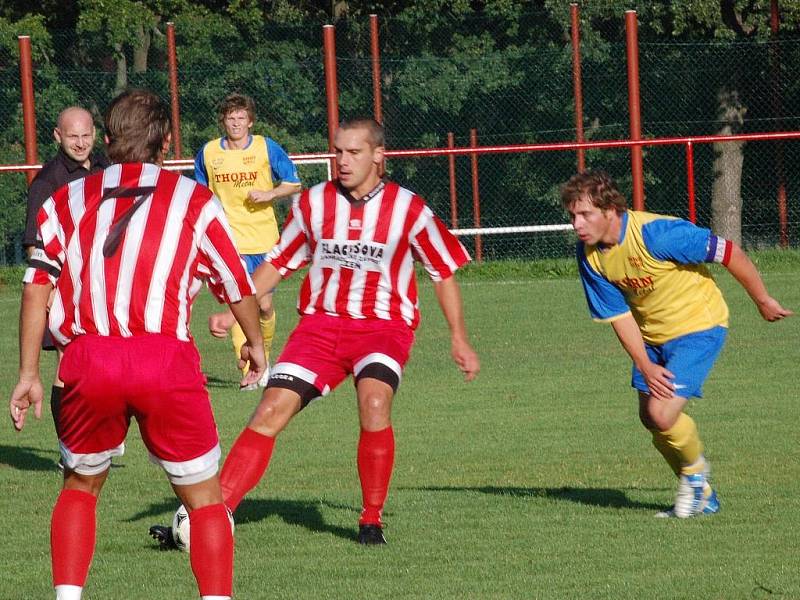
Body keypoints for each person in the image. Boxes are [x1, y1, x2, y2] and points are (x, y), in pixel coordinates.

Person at [151, 117, 480, 548]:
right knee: (269, 411)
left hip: (383, 328)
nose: (342, 161)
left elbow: (443, 271)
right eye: (338, 152)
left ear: (379, 157)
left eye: (353, 152)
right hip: (320, 328)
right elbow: (279, 263)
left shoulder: (409, 208)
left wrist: (459, 337)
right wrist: (235, 314)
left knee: (375, 401)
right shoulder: (312, 204)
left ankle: (371, 519)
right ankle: (215, 513)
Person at [9, 89, 267, 600]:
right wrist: (255, 343)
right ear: (166, 143)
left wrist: (28, 373)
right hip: (163, 360)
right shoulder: (193, 199)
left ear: (107, 140)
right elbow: (236, 283)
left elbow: (37, 284)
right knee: (206, 501)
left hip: (89, 360)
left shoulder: (65, 199)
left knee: (80, 488)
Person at [561, 170, 792, 518]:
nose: (577, 224)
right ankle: (704, 495)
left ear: (610, 210)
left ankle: (695, 476)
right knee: (650, 419)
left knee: (662, 412)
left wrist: (761, 299)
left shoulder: (658, 235)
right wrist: (645, 364)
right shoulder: (590, 255)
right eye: (572, 216)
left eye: (585, 214)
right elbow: (619, 315)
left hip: (699, 326)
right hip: (652, 336)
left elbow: (728, 252)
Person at [195, 93, 301, 390]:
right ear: (223, 121)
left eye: (242, 118)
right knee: (240, 299)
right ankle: (251, 372)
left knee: (264, 304)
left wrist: (270, 194)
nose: (236, 123)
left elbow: (294, 182)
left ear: (251, 122)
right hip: (229, 240)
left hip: (264, 238)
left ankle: (262, 355)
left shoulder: (267, 148)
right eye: (231, 118)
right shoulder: (209, 153)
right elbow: (202, 195)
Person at [22, 106, 109, 451]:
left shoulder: (108, 170)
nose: (80, 142)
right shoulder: (48, 182)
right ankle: (69, 448)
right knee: (67, 364)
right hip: (68, 289)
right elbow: (34, 246)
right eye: (72, 136)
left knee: (101, 364)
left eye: (86, 135)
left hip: (106, 285)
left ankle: (97, 438)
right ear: (58, 136)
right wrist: (54, 292)